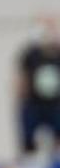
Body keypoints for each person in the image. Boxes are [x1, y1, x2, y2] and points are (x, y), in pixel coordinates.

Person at [17, 17, 60, 156]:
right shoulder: (31, 55)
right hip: (34, 103)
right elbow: (22, 78)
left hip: (55, 103)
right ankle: (30, 160)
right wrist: (22, 97)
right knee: (29, 138)